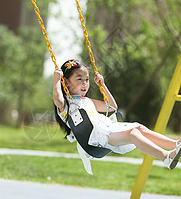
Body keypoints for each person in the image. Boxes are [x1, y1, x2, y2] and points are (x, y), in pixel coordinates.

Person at [53, 59, 181, 174]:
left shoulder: (87, 101)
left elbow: (112, 107)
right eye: (79, 79)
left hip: (108, 130)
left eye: (87, 80)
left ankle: (175, 145)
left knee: (139, 127)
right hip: (95, 139)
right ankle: (166, 157)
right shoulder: (66, 105)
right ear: (66, 82)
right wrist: (56, 81)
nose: (85, 83)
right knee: (133, 133)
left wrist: (102, 85)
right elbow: (58, 100)